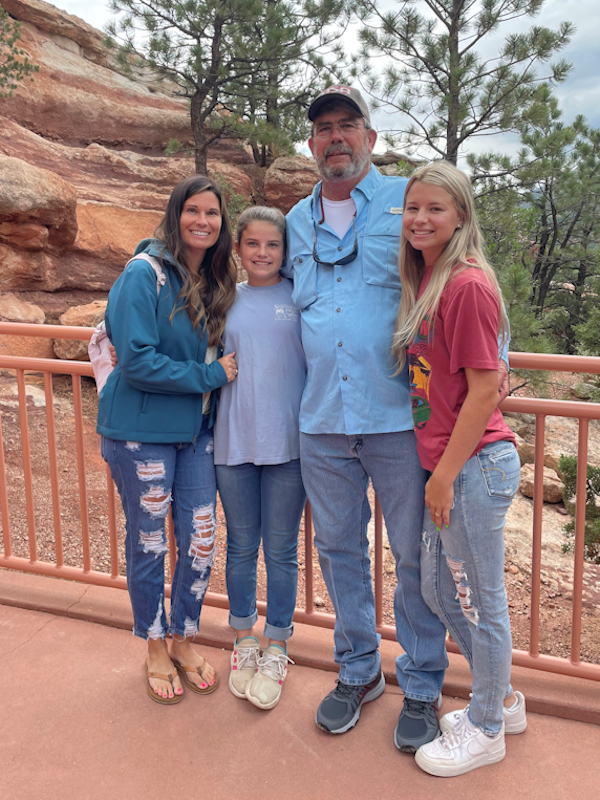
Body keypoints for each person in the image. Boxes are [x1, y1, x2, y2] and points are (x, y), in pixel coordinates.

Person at [284, 85, 509, 750]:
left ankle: (421, 682)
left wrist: (497, 360)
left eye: (347, 126)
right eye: (323, 129)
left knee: (415, 557)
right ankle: (357, 670)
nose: (335, 138)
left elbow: (460, 274)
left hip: (397, 419)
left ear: (370, 138)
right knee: (340, 551)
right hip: (321, 418)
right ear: (311, 145)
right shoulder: (297, 221)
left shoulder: (405, 204)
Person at [393, 161, 525, 776]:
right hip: (449, 466)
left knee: (480, 603)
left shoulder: (466, 285)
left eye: (435, 209)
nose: (420, 218)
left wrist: (443, 475)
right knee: (438, 589)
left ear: (461, 217)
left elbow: (484, 390)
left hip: (471, 467)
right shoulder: (428, 279)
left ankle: (489, 726)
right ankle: (496, 696)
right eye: (412, 207)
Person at [97, 175, 238, 704]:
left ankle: (183, 638)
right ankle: (154, 644)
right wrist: (212, 376)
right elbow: (136, 360)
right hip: (141, 435)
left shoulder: (213, 280)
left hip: (195, 433)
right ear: (175, 213)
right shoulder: (144, 274)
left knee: (202, 541)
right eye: (193, 211)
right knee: (151, 542)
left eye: (214, 214)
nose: (203, 221)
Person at [214, 207, 306, 710]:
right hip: (234, 443)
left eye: (273, 245)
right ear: (238, 248)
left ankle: (278, 645)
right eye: (253, 244)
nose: (263, 253)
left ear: (285, 250)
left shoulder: (301, 296)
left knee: (282, 550)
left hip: (289, 445)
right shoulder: (223, 298)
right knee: (241, 546)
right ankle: (243, 639)